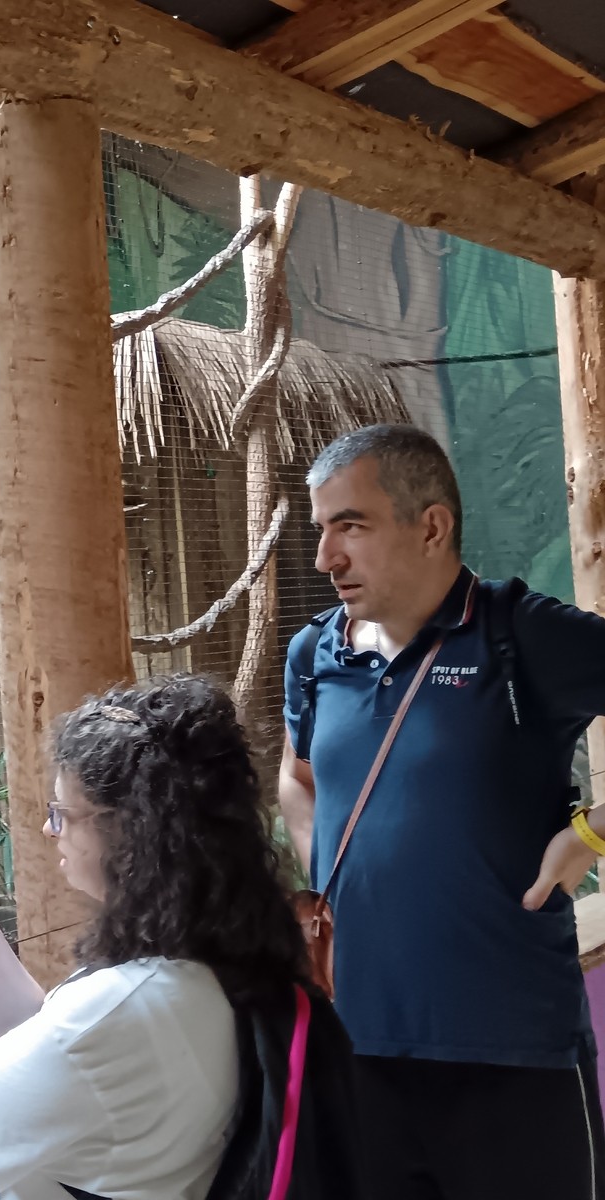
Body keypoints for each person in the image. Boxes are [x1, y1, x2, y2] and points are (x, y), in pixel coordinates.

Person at [0, 674, 359, 1200]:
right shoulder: (215, 960)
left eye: (63, 814)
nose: (49, 830)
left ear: (132, 832)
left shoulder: (125, 1010)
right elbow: (49, 1046)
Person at [279, 422, 605, 1200]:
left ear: (432, 526)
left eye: (349, 527)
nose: (326, 558)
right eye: (321, 530)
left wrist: (592, 832)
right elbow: (297, 776)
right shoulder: (313, 655)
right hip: (360, 1053)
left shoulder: (520, 635)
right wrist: (327, 877)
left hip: (514, 1053)